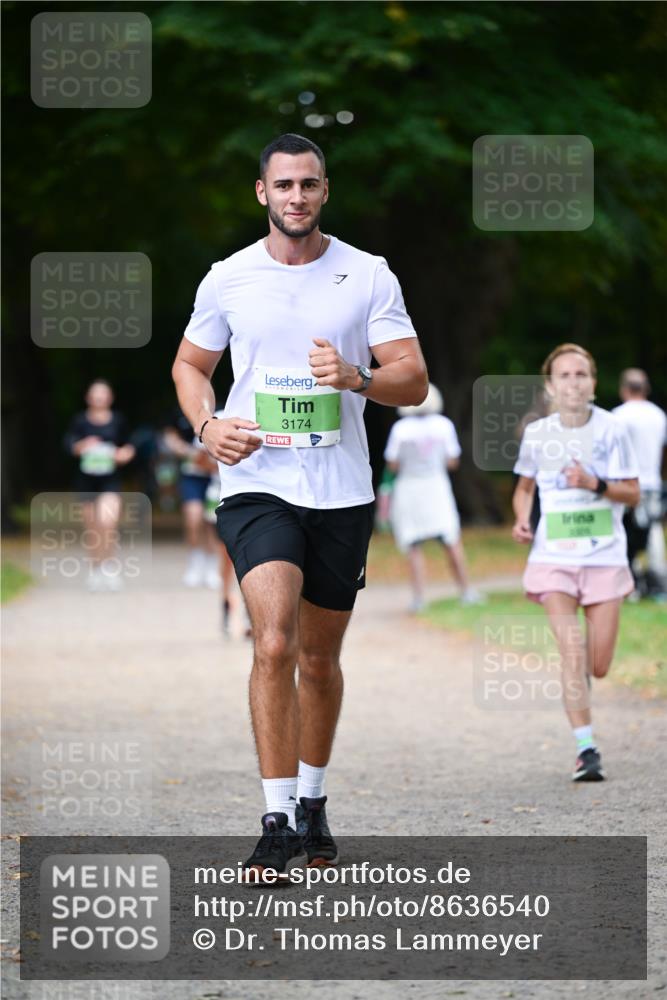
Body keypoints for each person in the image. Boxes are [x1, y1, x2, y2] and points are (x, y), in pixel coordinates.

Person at [172, 133, 428, 878]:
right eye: (282, 185)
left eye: (308, 185)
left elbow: (410, 379)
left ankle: (313, 802)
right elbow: (191, 365)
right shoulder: (228, 278)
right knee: (273, 643)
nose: (295, 197)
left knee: (318, 660)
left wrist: (355, 378)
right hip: (257, 483)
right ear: (262, 193)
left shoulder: (366, 274)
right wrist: (208, 425)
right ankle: (277, 818)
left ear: (324, 191)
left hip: (341, 488)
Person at [512, 344, 640, 782]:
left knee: (597, 664)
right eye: (564, 375)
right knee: (571, 651)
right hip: (554, 559)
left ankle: (582, 677)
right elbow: (525, 488)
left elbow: (633, 492)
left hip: (604, 558)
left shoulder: (613, 429)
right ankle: (587, 748)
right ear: (550, 386)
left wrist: (595, 483)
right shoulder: (538, 434)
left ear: (594, 382)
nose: (573, 382)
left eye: (581, 374)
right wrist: (520, 519)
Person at [383, 383, 482, 611]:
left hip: (409, 488)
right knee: (451, 539)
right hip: (436, 486)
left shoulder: (401, 429)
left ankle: (419, 598)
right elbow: (452, 461)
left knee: (413, 545)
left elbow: (393, 463)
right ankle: (466, 590)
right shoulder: (444, 426)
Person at [63, 379, 135, 591]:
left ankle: (110, 566)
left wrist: (123, 454)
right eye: (95, 394)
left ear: (110, 398)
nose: (99, 398)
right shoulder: (79, 421)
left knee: (107, 522)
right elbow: (69, 445)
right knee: (93, 528)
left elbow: (129, 446)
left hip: (109, 479)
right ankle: (96, 568)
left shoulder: (118, 421)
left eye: (103, 394)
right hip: (86, 480)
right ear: (88, 397)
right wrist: (82, 446)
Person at [612, 369, 667, 598]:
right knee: (653, 530)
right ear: (645, 388)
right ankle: (658, 580)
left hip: (626, 485)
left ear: (624, 389)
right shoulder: (658, 415)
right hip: (653, 482)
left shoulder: (618, 415)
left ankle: (630, 583)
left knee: (625, 532)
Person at [162, 409, 220, 589]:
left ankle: (212, 565)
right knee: (193, 518)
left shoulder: (219, 409)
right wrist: (184, 450)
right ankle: (196, 561)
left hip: (215, 477)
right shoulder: (181, 411)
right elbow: (169, 436)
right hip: (191, 476)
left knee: (211, 521)